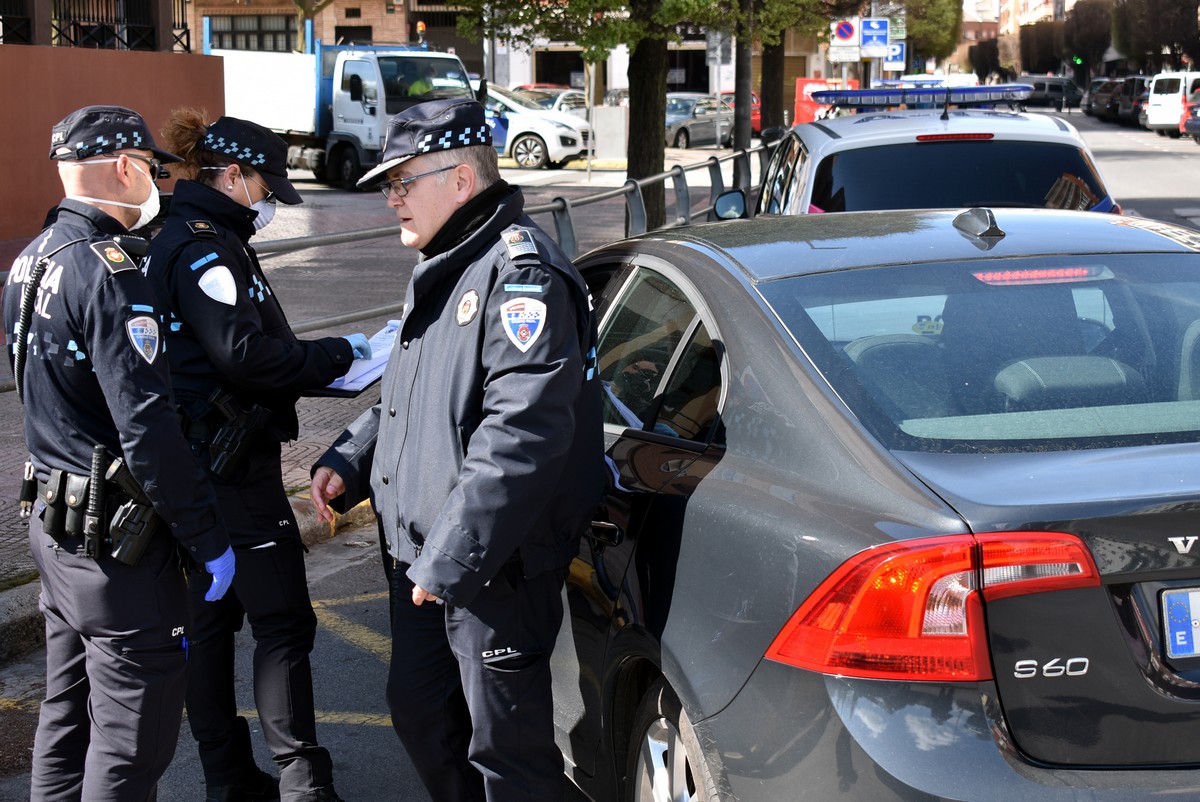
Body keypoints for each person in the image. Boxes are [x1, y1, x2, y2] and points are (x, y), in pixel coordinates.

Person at [308, 98, 603, 801]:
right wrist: (351, 456)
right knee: (419, 713)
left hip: (489, 568)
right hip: (426, 559)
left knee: (506, 755)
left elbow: (521, 434)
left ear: (462, 181)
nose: (392, 201)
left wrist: (452, 557)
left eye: (403, 183)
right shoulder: (448, 262)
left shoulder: (519, 276)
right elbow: (417, 392)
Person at [3, 105, 236, 800]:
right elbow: (148, 428)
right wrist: (205, 538)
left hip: (56, 525)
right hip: (116, 549)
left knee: (66, 715)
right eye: (152, 171)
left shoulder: (31, 258)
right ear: (129, 167)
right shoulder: (111, 272)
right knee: (133, 744)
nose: (156, 186)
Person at [142, 110, 363, 802]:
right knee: (282, 624)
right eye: (266, 184)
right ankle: (302, 785)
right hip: (232, 473)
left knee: (211, 624)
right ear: (231, 175)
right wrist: (340, 355)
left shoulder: (192, 235)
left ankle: (228, 778)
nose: (271, 200)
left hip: (204, 466)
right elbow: (240, 352)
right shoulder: (205, 247)